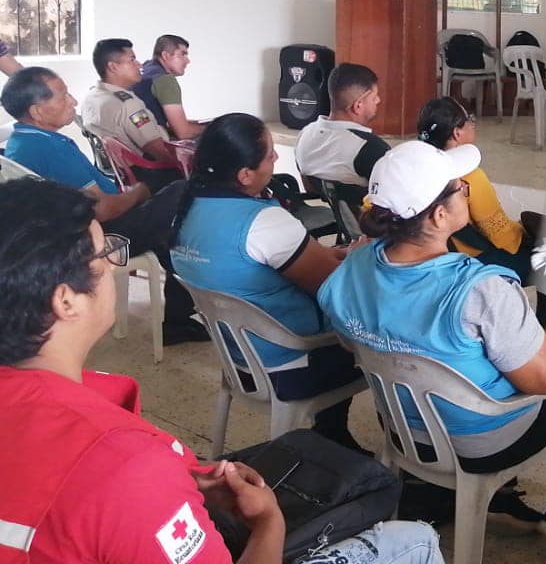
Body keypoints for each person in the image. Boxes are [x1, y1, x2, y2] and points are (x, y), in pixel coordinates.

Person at [0, 178, 442, 564]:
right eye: (107, 252)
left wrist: (175, 484)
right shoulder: (123, 462)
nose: (115, 262)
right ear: (66, 300)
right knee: (413, 540)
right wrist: (268, 523)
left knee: (354, 478)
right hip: (276, 375)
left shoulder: (192, 212)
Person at [318, 140, 546, 549]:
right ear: (439, 215)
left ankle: (493, 496)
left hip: (403, 427)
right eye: (459, 187)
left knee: (481, 360)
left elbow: (349, 342)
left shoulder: (353, 266)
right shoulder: (480, 289)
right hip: (484, 443)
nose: (466, 189)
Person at [170, 113, 365, 452]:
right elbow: (333, 287)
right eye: (269, 153)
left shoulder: (187, 207)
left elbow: (290, 259)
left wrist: (335, 254)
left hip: (239, 357)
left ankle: (332, 436)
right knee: (383, 350)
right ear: (245, 175)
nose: (276, 157)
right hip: (291, 363)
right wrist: (362, 257)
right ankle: (352, 443)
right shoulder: (263, 221)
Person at [1, 66, 208, 346]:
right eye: (63, 96)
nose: (73, 101)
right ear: (37, 111)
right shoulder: (50, 149)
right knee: (181, 192)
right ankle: (181, 315)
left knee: (172, 228)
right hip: (97, 235)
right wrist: (138, 193)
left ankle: (179, 316)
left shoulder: (21, 141)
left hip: (71, 229)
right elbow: (102, 209)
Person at [418, 96, 536, 281]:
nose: (473, 124)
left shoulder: (415, 171)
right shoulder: (470, 177)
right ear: (457, 133)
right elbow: (502, 238)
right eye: (469, 120)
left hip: (438, 260)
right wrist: (525, 232)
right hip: (476, 262)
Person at [81, 37, 184, 191]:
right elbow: (159, 151)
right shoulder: (127, 104)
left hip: (121, 174)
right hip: (152, 176)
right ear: (113, 67)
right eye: (132, 60)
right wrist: (187, 165)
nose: (140, 65)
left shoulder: (92, 96)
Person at [294, 62, 391, 187]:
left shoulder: (305, 134)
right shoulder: (370, 148)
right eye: (374, 97)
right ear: (358, 105)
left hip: (318, 200)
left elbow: (309, 187)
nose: (378, 100)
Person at [133, 33, 205, 139]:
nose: (188, 61)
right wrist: (213, 128)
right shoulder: (165, 80)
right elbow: (184, 133)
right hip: (152, 144)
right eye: (183, 54)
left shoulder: (145, 69)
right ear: (166, 55)